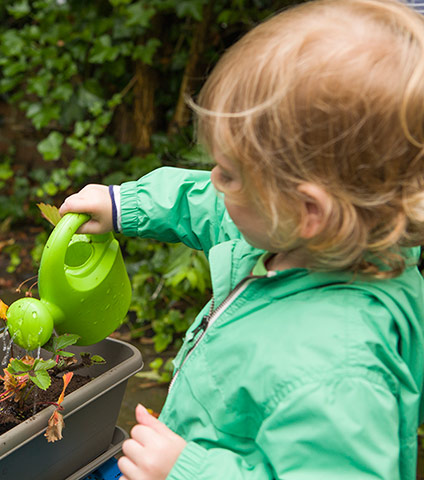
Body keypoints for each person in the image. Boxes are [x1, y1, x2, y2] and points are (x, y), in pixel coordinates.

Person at [59, 0, 424, 478]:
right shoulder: (296, 238)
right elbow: (208, 206)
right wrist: (127, 205)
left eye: (229, 174)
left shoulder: (340, 369)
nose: (213, 181)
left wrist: (186, 471)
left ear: (308, 210)